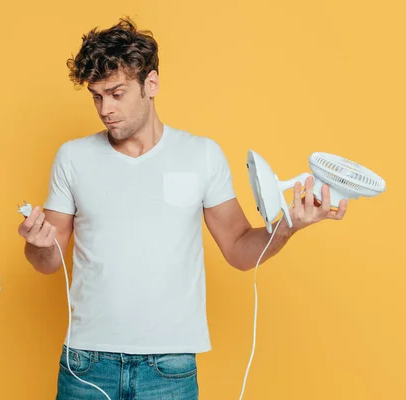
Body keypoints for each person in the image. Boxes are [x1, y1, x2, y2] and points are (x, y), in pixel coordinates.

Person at [17, 17, 347, 400]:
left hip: (168, 369)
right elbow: (48, 261)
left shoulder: (201, 155)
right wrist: (38, 243)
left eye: (117, 93)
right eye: (96, 96)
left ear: (151, 84)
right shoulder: (73, 157)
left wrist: (289, 226)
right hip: (88, 364)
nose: (105, 108)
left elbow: (240, 249)